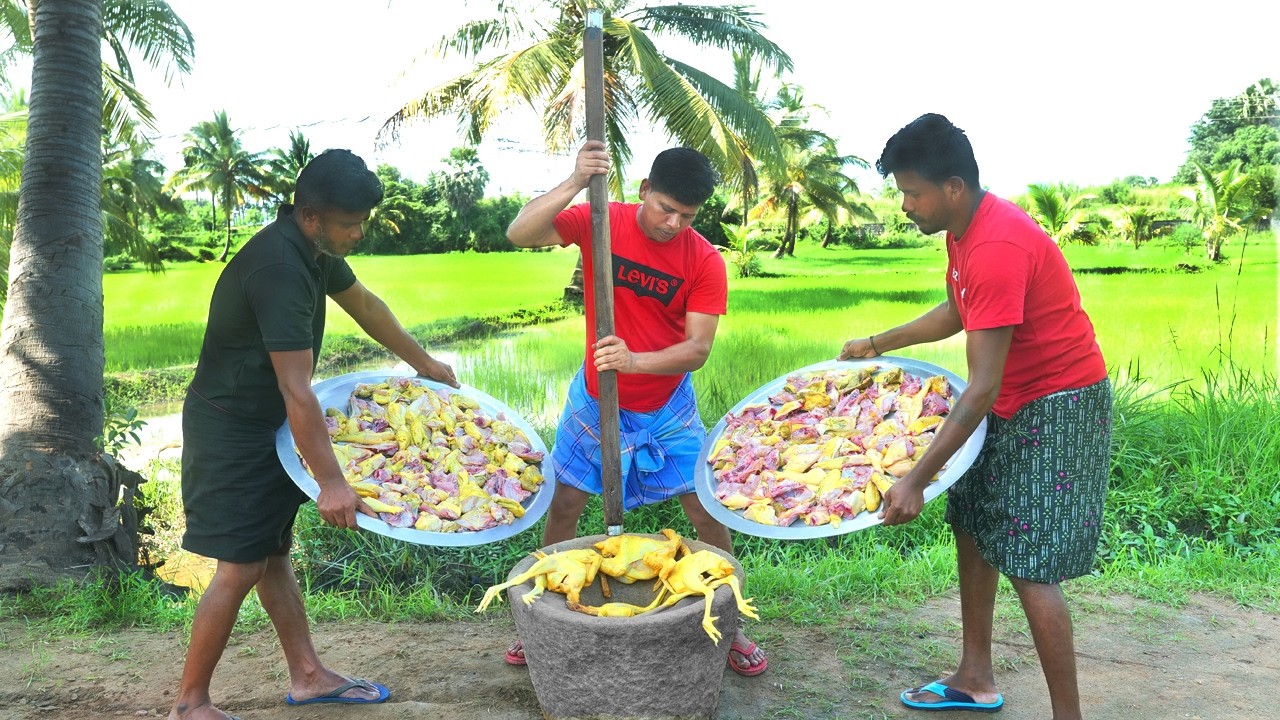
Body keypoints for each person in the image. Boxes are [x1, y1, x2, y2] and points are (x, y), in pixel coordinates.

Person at [169, 149, 459, 720]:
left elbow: (366, 306)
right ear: (311, 216)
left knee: (273, 552)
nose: (357, 234)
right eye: (349, 224)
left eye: (361, 223)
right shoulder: (279, 268)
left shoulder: (314, 250)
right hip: (232, 428)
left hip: (269, 424)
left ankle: (307, 676)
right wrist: (331, 483)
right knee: (240, 565)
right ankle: (189, 704)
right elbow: (297, 390)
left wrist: (422, 363)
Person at [838, 114, 1111, 719]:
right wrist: (879, 342)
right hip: (1010, 398)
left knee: (1032, 563)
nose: (906, 204)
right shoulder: (967, 229)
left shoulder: (996, 244)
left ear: (953, 187)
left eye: (912, 192)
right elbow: (962, 308)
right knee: (975, 524)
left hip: (1058, 404)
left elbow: (980, 386)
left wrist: (915, 478)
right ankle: (974, 676)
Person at [502, 140, 767, 677]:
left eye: (687, 216)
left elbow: (697, 349)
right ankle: (540, 624)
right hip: (596, 396)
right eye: (665, 208)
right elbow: (520, 233)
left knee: (704, 509)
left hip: (667, 405)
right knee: (566, 503)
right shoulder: (602, 220)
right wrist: (578, 179)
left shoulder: (705, 261)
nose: (673, 223)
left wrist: (633, 361)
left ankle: (732, 622)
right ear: (644, 190)